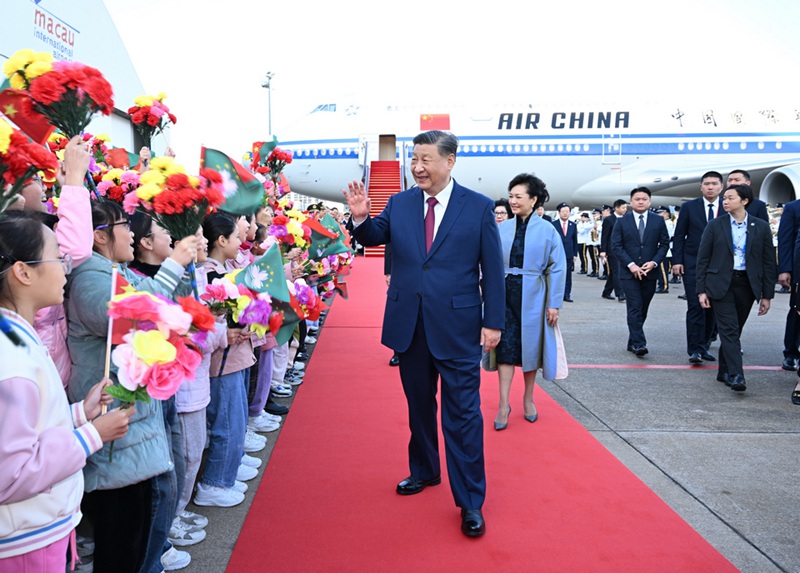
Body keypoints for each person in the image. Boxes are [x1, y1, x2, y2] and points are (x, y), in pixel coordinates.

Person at [343, 130, 505, 538]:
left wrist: (494, 321)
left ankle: (470, 500)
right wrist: (361, 217)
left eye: (426, 159)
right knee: (419, 408)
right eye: (414, 159)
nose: (417, 167)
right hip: (409, 325)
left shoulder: (479, 207)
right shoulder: (399, 203)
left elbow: (494, 271)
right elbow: (375, 237)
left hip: (459, 325)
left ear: (449, 162)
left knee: (464, 416)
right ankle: (425, 470)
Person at [66, 200, 198, 573]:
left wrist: (181, 269)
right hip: (115, 436)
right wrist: (174, 266)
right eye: (125, 225)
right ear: (100, 235)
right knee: (121, 545)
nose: (131, 233)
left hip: (133, 428)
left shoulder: (115, 269)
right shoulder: (89, 278)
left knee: (135, 536)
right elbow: (134, 313)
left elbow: (165, 301)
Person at [0, 213, 133, 573]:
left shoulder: (17, 336)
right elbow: (11, 474)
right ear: (23, 272)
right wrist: (92, 436)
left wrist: (79, 413)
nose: (66, 268)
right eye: (58, 256)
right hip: (26, 538)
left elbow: (30, 429)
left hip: (37, 527)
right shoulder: (10, 356)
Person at [494, 173, 567, 432]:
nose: (512, 201)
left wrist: (554, 303)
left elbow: (558, 268)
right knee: (504, 349)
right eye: (511, 196)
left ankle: (528, 399)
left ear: (533, 199)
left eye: (518, 196)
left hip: (534, 295)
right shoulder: (501, 227)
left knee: (529, 350)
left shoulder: (547, 229)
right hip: (503, 295)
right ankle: (503, 404)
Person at [696, 184, 776, 391]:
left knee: (734, 330)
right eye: (725, 198)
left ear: (744, 201)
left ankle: (723, 370)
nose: (725, 201)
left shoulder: (760, 226)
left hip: (747, 284)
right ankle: (736, 375)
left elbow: (768, 262)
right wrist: (701, 290)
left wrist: (767, 295)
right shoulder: (715, 225)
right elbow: (703, 259)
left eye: (730, 197)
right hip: (720, 284)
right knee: (729, 329)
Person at [611, 187, 670, 356]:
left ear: (650, 201)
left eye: (644, 199)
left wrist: (654, 262)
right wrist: (631, 265)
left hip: (650, 272)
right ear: (631, 202)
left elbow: (664, 244)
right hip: (629, 272)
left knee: (643, 308)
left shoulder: (658, 221)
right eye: (637, 199)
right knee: (634, 307)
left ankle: (633, 340)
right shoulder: (622, 221)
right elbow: (616, 246)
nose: (641, 201)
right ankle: (639, 343)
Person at [672, 171, 723, 364]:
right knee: (695, 306)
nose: (710, 187)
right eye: (707, 184)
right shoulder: (689, 207)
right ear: (701, 187)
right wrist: (677, 260)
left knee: (712, 308)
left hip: (719, 266)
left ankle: (704, 346)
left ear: (721, 187)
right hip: (692, 264)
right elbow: (679, 235)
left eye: (714, 184)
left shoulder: (726, 207)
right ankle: (694, 349)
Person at [776, 197, 800, 371]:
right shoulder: (793, 208)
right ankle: (791, 353)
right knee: (796, 311)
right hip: (798, 270)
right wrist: (785, 269)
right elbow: (785, 240)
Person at [600, 199, 627, 301]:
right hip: (612, 249)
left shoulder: (626, 218)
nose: (624, 210)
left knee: (613, 272)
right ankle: (620, 294)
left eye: (625, 208)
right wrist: (603, 250)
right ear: (616, 208)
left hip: (623, 249)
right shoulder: (609, 220)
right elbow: (605, 236)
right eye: (622, 208)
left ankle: (606, 292)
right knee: (617, 271)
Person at [552, 202, 578, 302]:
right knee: (557, 275)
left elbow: (575, 240)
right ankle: (556, 294)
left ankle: (566, 294)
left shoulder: (573, 225)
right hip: (556, 254)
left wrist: (575, 254)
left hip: (568, 254)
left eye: (567, 212)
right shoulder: (553, 225)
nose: (565, 214)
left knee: (568, 276)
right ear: (559, 213)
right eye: (563, 212)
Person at [654, 207, 674, 294]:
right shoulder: (663, 222)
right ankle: (661, 285)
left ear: (666, 214)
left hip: (664, 250)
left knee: (663, 270)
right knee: (660, 270)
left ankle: (664, 286)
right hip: (660, 249)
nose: (659, 215)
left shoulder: (669, 223)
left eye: (661, 213)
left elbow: (667, 236)